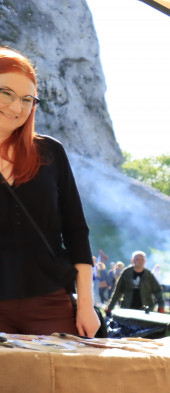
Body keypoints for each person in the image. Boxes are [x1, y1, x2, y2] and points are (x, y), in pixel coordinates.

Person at [0, 49, 100, 336]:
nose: (16, 107)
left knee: (62, 381)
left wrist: (86, 305)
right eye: (6, 93)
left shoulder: (50, 153)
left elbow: (77, 232)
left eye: (27, 99)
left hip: (50, 303)